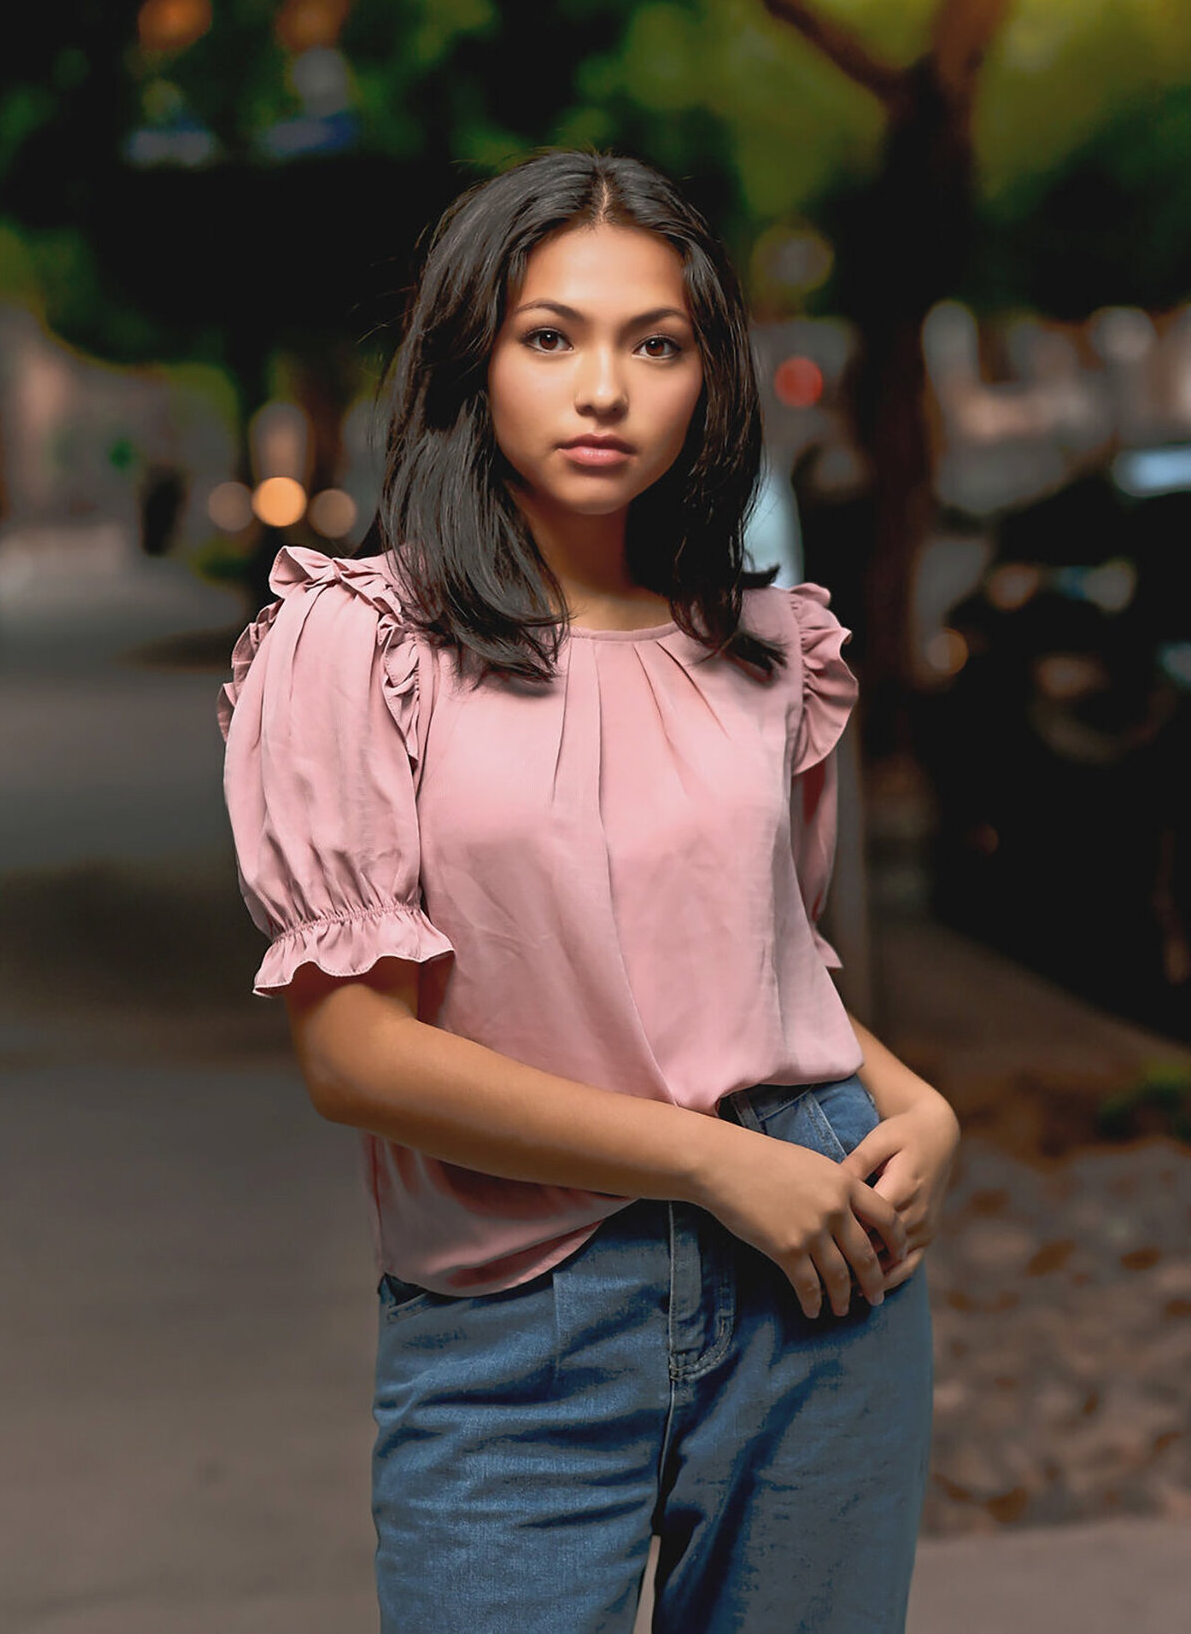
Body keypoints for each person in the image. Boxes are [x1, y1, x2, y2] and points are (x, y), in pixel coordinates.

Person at [217, 150, 960, 1634]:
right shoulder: (358, 647)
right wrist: (701, 1161)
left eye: (657, 343)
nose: (604, 389)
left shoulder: (765, 648)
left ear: (708, 379)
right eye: (551, 337)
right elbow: (354, 1051)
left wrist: (919, 1105)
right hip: (517, 1311)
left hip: (818, 1262)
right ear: (469, 359)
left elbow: (768, 963)